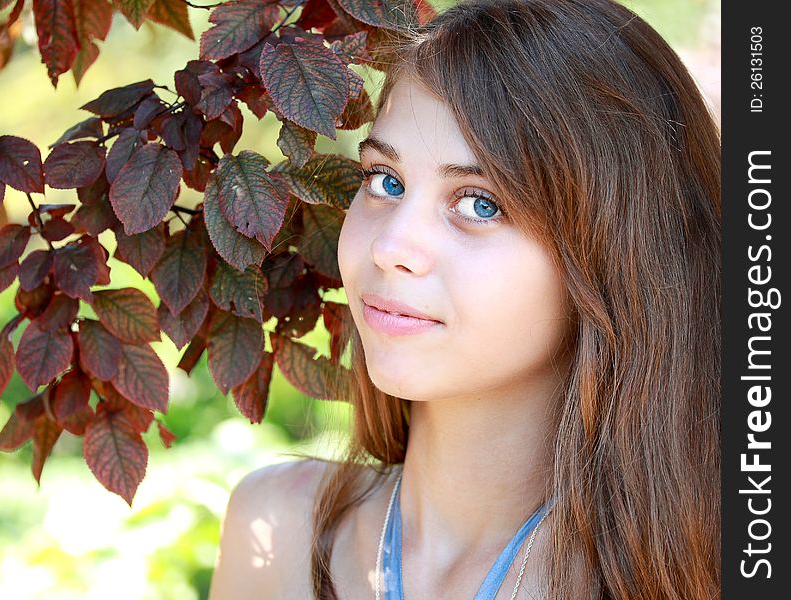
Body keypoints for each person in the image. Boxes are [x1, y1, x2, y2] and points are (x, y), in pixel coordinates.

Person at [208, 0, 721, 598]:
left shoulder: (697, 571)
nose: (391, 246)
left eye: (480, 203)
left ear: (616, 250)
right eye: (385, 182)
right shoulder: (276, 532)